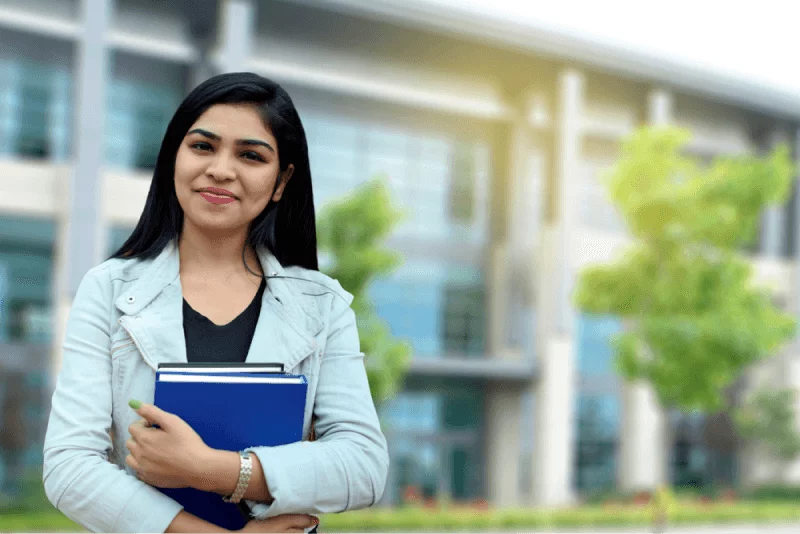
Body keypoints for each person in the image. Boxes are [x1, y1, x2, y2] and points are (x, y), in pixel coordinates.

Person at [42, 72, 389, 533]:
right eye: (203, 146)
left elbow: (364, 466)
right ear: (174, 158)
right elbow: (69, 467)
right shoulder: (108, 289)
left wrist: (210, 469)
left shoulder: (321, 305)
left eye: (250, 155)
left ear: (282, 180)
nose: (221, 169)